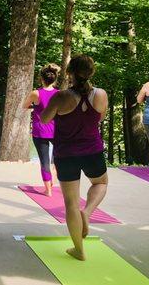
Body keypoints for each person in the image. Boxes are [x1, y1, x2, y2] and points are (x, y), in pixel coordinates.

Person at [41, 54, 108, 261]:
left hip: (66, 154)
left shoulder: (61, 97)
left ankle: (79, 250)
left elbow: (44, 120)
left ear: (69, 72)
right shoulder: (101, 94)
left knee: (71, 203)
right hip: (92, 151)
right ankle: (87, 213)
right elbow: (100, 117)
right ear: (91, 72)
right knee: (101, 183)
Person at [22, 64, 61, 196]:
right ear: (54, 79)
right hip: (57, 131)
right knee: (59, 160)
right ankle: (52, 182)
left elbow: (24, 106)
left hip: (40, 131)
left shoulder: (36, 93)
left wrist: (35, 106)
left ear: (41, 79)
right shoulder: (59, 94)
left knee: (44, 162)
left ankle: (48, 190)